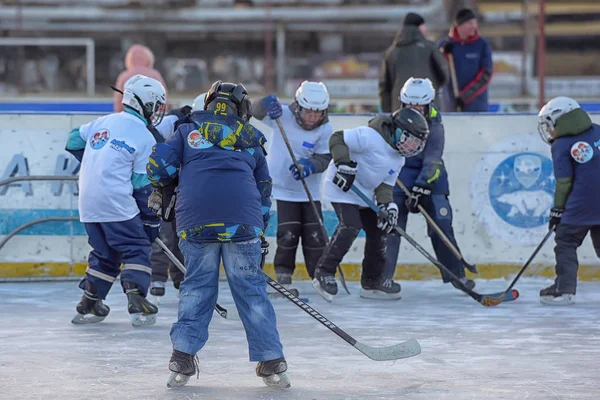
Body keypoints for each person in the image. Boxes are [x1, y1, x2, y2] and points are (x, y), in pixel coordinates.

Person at [146, 81, 289, 389]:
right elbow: (264, 189)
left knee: (197, 286)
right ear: (243, 110)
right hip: (243, 222)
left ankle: (182, 357)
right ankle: (271, 359)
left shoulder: (187, 131)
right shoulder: (252, 139)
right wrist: (258, 227)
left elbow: (158, 165)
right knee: (251, 290)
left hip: (197, 221)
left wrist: (163, 186)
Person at [66, 74, 166, 327]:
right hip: (116, 203)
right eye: (155, 106)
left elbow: (73, 140)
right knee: (137, 247)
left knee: (105, 252)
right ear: (144, 103)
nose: (155, 112)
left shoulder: (103, 121)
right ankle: (136, 297)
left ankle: (90, 300)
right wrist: (151, 224)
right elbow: (143, 187)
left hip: (88, 205)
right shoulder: (145, 136)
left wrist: (98, 164)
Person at [312, 107, 430, 302]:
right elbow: (337, 138)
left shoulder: (398, 159)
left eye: (417, 143)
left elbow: (385, 185)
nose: (412, 147)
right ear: (397, 131)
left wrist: (387, 206)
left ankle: (371, 281)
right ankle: (323, 272)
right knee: (350, 226)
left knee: (379, 230)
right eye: (410, 140)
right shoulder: (369, 136)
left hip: (366, 194)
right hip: (342, 188)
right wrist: (343, 165)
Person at [383, 77, 475, 291]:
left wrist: (422, 186)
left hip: (431, 179)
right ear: (403, 102)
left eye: (420, 104)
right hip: (400, 177)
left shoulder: (435, 125)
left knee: (441, 225)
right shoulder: (392, 121)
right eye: (410, 103)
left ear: (429, 103)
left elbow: (433, 159)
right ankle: (383, 278)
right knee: (392, 227)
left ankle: (457, 275)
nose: (414, 107)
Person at [251, 81, 332, 288]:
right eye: (308, 112)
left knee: (316, 237)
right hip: (283, 190)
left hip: (309, 191)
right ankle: (284, 275)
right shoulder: (281, 115)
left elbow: (325, 157)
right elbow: (252, 111)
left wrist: (310, 166)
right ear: (298, 106)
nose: (313, 117)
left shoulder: (325, 128)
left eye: (318, 113)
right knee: (287, 235)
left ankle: (319, 275)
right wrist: (263, 103)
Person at [537, 97, 600, 305]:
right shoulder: (597, 130)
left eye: (549, 124)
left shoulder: (561, 145)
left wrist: (557, 211)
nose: (549, 130)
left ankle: (564, 290)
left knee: (566, 242)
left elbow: (564, 182)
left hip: (580, 205)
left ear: (559, 120)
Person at [149, 93, 207, 303]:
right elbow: (152, 139)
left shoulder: (211, 130)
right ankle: (157, 277)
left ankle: (181, 278)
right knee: (164, 232)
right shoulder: (173, 122)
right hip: (167, 184)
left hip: (188, 188)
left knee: (182, 235)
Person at [379, 12, 448, 113]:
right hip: (427, 108)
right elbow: (445, 76)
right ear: (419, 27)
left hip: (399, 111)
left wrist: (389, 112)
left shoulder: (391, 52)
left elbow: (384, 88)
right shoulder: (430, 48)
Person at [439, 8, 492, 113]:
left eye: (475, 23)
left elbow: (486, 73)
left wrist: (465, 97)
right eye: (470, 23)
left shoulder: (482, 45)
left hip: (476, 106)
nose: (474, 26)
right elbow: (438, 70)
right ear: (459, 25)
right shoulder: (446, 46)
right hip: (450, 104)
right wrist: (443, 54)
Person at [113, 44, 167, 112]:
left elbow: (118, 101)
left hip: (129, 116)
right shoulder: (155, 75)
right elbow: (163, 98)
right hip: (151, 117)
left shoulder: (124, 76)